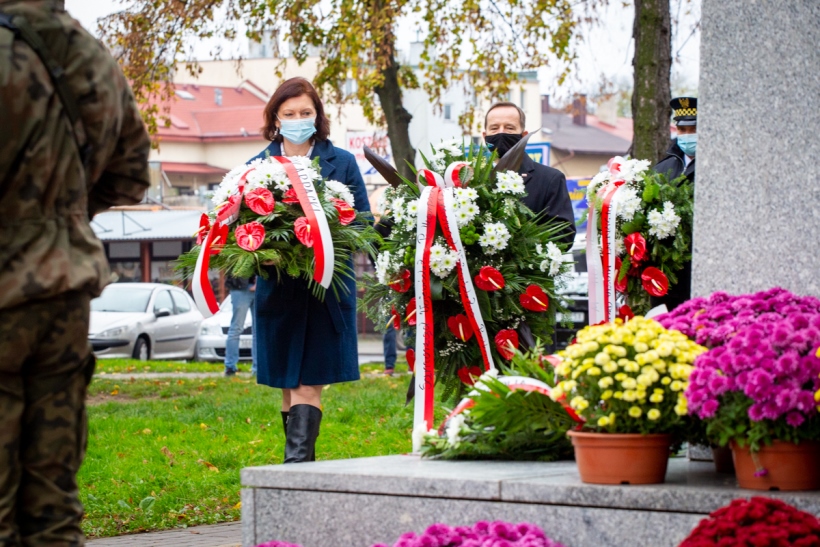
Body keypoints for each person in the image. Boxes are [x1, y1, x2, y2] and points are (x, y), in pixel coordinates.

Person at [0, 1, 151, 544]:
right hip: (64, 294)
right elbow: (131, 173)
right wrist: (61, 217)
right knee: (54, 502)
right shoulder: (88, 53)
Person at [249, 77, 371, 463]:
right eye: (289, 113)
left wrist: (326, 241)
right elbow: (239, 232)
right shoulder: (257, 167)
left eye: (306, 112)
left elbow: (363, 225)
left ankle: (293, 472)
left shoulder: (343, 163)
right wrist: (263, 254)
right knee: (289, 389)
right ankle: (301, 474)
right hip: (279, 293)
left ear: (317, 116)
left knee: (306, 385)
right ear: (275, 118)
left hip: (325, 291)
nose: (298, 119)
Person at [483, 102, 576, 247]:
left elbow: (564, 235)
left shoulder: (550, 179)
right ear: (485, 136)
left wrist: (517, 244)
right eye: (494, 128)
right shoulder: (474, 180)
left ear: (524, 136)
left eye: (509, 128)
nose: (501, 133)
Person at [652, 97, 697, 311]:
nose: (687, 135)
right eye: (682, 130)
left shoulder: (716, 166)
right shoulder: (664, 168)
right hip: (667, 272)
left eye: (693, 129)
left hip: (695, 267)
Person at [223, 274, 257, 377]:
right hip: (240, 286)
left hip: (251, 287)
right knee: (236, 329)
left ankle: (257, 369)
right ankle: (230, 367)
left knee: (257, 331)